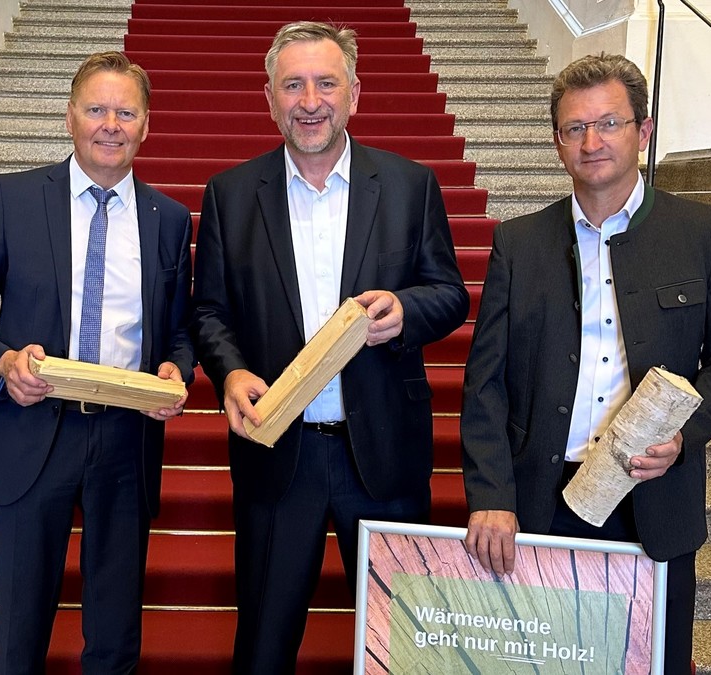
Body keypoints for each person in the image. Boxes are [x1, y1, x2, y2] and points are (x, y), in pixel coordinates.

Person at [461, 53, 711, 673]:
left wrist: (685, 435)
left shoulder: (701, 231)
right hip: (546, 502)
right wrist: (491, 493)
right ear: (556, 142)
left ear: (643, 131)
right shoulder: (518, 244)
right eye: (574, 128)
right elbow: (485, 382)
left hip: (657, 502)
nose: (591, 142)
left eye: (609, 124)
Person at [189, 21, 469, 673]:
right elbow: (210, 312)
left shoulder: (410, 185)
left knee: (407, 645)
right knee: (263, 643)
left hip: (385, 453)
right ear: (269, 98)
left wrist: (406, 310)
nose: (309, 99)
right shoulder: (230, 195)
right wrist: (229, 375)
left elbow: (449, 292)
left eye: (325, 82)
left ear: (354, 94)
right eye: (293, 84)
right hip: (278, 452)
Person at [0, 51, 193, 674]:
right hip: (32, 430)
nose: (111, 124)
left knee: (114, 631)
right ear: (69, 116)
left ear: (146, 125)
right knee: (21, 628)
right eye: (96, 109)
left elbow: (180, 332)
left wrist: (176, 369)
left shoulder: (170, 218)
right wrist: (3, 363)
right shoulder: (15, 197)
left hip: (124, 439)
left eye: (126, 112)